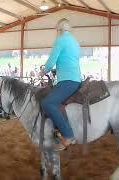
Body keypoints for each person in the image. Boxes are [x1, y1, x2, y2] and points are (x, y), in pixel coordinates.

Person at [40, 18, 81, 149]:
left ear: (59, 30)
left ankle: (68, 136)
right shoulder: (75, 42)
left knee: (47, 102)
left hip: (67, 80)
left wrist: (43, 71)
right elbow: (67, 60)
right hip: (75, 78)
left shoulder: (60, 40)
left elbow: (52, 59)